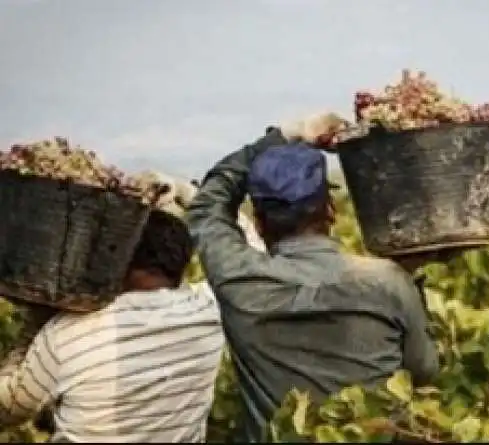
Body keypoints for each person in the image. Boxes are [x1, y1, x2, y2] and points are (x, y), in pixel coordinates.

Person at [186, 114, 439, 443]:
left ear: (260, 224)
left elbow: (207, 204)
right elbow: (426, 372)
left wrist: (286, 135)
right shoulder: (387, 281)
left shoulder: (238, 279)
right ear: (331, 211)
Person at [0, 208, 225, 442]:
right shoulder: (210, 312)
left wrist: (33, 327)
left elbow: (7, 409)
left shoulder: (68, 333)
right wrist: (183, 193)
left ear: (118, 258)